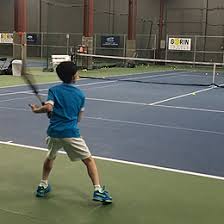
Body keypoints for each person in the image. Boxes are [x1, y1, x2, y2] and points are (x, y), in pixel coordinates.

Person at [30, 61, 112, 204]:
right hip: (70, 133)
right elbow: (78, 118)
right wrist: (54, 112)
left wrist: (38, 110)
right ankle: (98, 190)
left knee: (50, 156)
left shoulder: (54, 90)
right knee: (89, 161)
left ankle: (43, 185)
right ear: (74, 76)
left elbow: (49, 108)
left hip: (54, 133)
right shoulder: (80, 95)